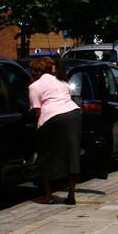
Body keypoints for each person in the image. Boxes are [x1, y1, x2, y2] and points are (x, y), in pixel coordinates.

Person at [28, 56, 81, 205]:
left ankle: (48, 196)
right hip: (74, 115)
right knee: (72, 154)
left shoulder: (34, 86)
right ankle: (71, 195)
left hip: (52, 117)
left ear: (35, 70)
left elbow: (37, 111)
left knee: (46, 155)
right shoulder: (63, 82)